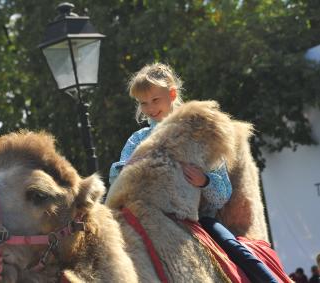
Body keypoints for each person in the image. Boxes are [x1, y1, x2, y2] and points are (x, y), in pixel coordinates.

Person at [109, 62, 278, 283]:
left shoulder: (199, 132)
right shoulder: (137, 140)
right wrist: (126, 169)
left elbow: (223, 193)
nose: (149, 108)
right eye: (143, 103)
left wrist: (204, 181)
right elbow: (117, 182)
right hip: (146, 221)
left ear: (171, 94)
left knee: (235, 250)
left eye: (155, 100)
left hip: (197, 220)